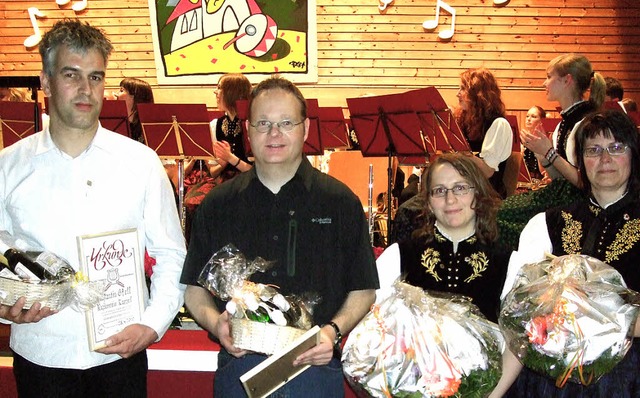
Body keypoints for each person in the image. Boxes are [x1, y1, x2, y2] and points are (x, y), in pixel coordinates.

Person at [0, 19, 186, 397]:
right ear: (47, 81)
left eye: (96, 77)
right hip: (41, 354)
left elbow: (171, 253)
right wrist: (2, 304)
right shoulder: (8, 165)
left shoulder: (141, 163)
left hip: (120, 358)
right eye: (72, 75)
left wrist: (152, 324)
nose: (86, 90)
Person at [180, 76, 379, 397]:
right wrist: (217, 324)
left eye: (286, 122)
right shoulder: (217, 204)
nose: (274, 133)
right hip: (240, 368)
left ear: (306, 128)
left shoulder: (340, 202)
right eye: (263, 123)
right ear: (247, 130)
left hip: (316, 369)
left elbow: (364, 289)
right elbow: (193, 291)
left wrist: (332, 332)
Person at [501, 110, 640, 397]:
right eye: (593, 150)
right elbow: (519, 318)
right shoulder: (546, 224)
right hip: (550, 379)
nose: (605, 159)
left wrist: (612, 321)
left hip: (627, 378)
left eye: (616, 148)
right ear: (581, 161)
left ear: (633, 155)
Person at [374, 153, 515, 397]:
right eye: (439, 191)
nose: (450, 199)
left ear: (477, 195)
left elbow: (517, 344)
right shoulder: (398, 256)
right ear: (428, 201)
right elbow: (377, 331)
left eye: (460, 188)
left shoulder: (509, 261)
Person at [521, 53, 606, 188]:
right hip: (566, 200)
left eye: (549, 77)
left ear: (567, 80)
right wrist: (542, 155)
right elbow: (561, 179)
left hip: (583, 205)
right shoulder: (562, 124)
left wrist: (549, 152)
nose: (544, 83)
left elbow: (585, 183)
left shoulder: (588, 123)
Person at [455, 68, 513, 198]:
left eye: (463, 88)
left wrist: (462, 152)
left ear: (478, 94)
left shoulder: (498, 124)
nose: (457, 94)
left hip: (486, 196)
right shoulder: (465, 120)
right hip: (463, 190)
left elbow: (487, 171)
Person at [210, 73, 253, 181]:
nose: (215, 92)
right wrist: (223, 164)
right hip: (223, 181)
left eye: (219, 88)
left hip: (248, 181)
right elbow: (212, 173)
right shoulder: (215, 125)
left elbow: (259, 173)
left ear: (232, 93)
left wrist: (230, 157)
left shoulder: (253, 125)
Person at [115, 77, 154, 143]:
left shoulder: (150, 126)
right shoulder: (115, 122)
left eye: (121, 90)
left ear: (134, 96)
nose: (116, 94)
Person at [521, 105, 548, 180]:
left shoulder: (545, 141)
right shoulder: (522, 140)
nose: (528, 119)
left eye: (533, 116)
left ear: (541, 120)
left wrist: (538, 151)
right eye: (527, 116)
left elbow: (543, 172)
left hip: (541, 181)